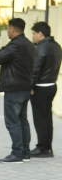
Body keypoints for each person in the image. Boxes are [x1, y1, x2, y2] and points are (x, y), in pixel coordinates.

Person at [0, 18, 37, 163]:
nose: (7, 31)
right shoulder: (30, 45)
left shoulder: (15, 45)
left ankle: (16, 153)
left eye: (7, 28)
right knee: (22, 120)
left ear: (12, 29)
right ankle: (25, 152)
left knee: (12, 121)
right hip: (25, 88)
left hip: (14, 88)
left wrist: (3, 48)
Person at [31, 22, 61, 158]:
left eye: (33, 33)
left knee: (40, 119)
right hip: (52, 85)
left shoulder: (42, 48)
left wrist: (31, 86)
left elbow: (36, 68)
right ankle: (47, 147)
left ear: (40, 34)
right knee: (47, 118)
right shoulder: (56, 46)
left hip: (40, 88)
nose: (32, 36)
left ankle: (42, 147)